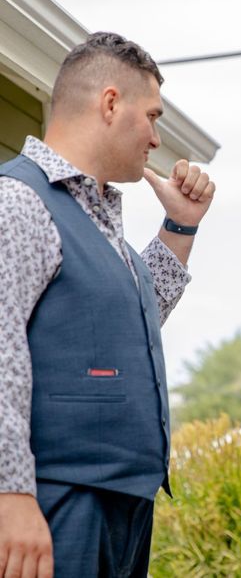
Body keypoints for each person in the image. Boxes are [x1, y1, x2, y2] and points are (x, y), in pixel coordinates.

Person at [0, 32, 216, 577]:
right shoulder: (18, 201)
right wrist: (10, 494)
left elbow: (125, 326)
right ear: (111, 103)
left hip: (119, 501)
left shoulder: (100, 220)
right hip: (54, 502)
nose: (155, 138)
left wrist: (181, 225)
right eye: (152, 116)